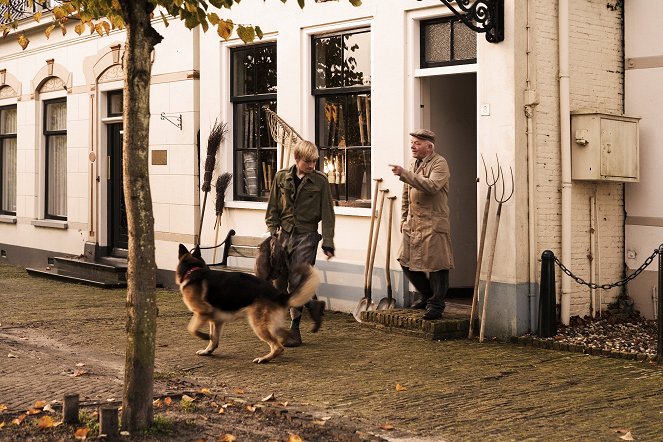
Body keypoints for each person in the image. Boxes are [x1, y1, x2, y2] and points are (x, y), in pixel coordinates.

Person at [265, 140, 336, 346]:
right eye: (308, 162)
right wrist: (273, 232)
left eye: (315, 161)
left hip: (307, 236)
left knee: (297, 281)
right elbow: (273, 208)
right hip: (284, 235)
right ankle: (313, 305)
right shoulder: (281, 177)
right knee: (279, 281)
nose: (312, 166)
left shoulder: (320, 181)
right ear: (297, 159)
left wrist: (328, 243)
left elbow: (328, 214)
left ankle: (295, 329)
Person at [389, 129, 454, 320]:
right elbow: (405, 194)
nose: (412, 146)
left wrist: (405, 173)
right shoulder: (412, 164)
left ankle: (436, 304)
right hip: (414, 222)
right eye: (412, 142)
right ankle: (426, 295)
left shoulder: (440, 163)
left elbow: (432, 187)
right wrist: (403, 218)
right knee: (405, 260)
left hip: (434, 221)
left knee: (437, 265)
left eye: (417, 143)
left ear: (429, 146)